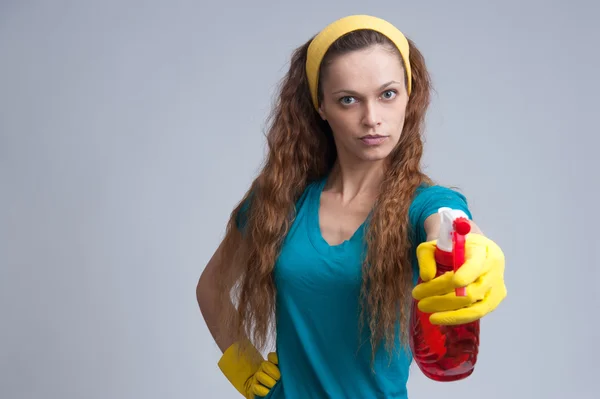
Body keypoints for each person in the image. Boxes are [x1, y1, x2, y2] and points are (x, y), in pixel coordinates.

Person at [197, 14, 507, 399]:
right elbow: (211, 288)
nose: (372, 119)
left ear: (409, 97)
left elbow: (448, 222)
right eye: (349, 100)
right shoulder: (279, 201)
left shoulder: (422, 204)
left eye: (388, 94)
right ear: (321, 107)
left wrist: (472, 249)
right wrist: (245, 368)